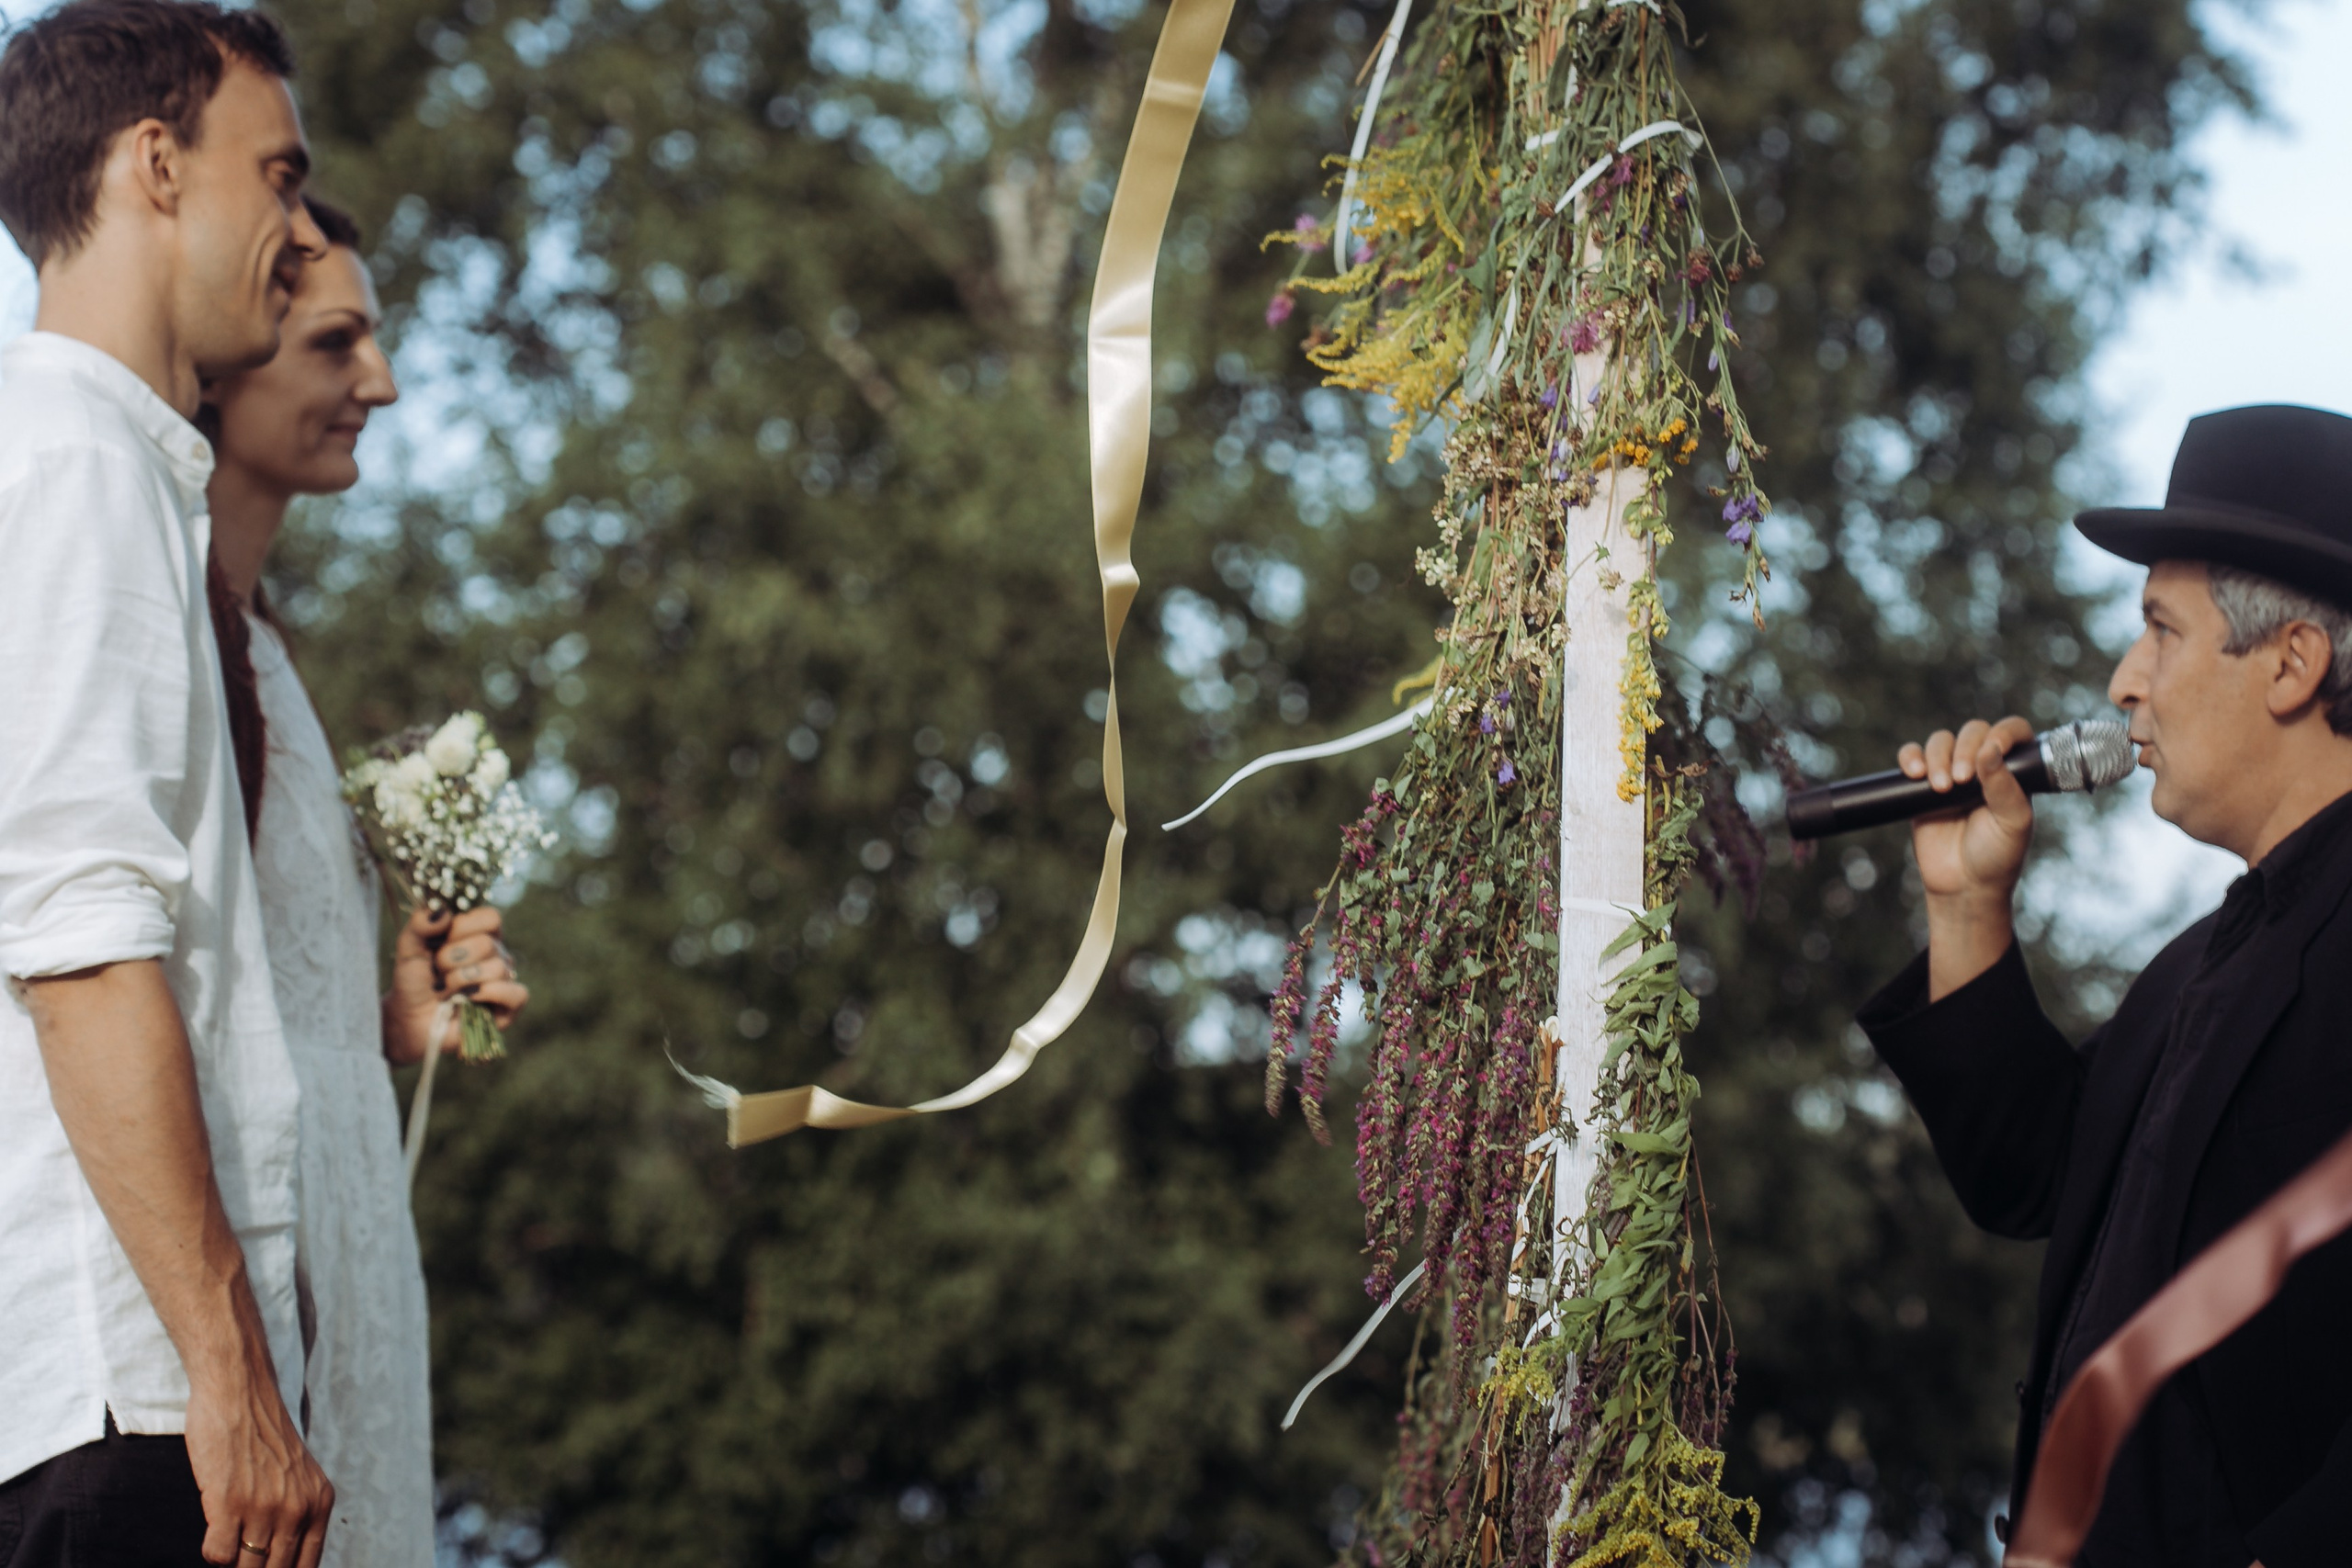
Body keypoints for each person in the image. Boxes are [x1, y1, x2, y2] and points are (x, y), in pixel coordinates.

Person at [1858, 403, 2352, 1566]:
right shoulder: (2199, 961)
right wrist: (1968, 904)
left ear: (2290, 662)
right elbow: (2032, 1179)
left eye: (2159, 632)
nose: (2126, 684)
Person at [0, 4, 337, 1565]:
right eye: (276, 174)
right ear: (154, 164)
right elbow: (77, 940)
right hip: (119, 1399)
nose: (292, 228)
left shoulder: (95, 461)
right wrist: (229, 1378)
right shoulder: (73, 458)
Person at [200, 196, 529, 1567]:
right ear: (219, 354)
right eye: (336, 344)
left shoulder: (263, 640)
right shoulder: (153, 623)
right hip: (226, 1366)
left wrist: (383, 1032)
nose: (380, 384)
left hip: (349, 1306)